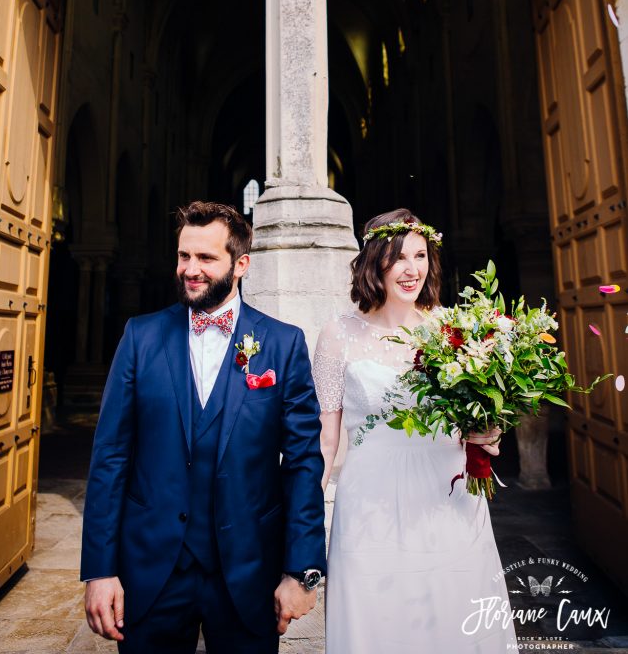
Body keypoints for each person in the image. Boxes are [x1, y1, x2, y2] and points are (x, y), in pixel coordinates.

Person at [81, 201, 326, 654]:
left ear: (241, 265)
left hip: (248, 571)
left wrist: (302, 571)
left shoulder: (283, 343)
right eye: (183, 256)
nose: (190, 270)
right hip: (151, 569)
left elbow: (303, 464)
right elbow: (110, 457)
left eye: (206, 258)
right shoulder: (140, 337)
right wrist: (99, 570)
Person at [314, 208, 518, 653]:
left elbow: (479, 420)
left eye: (420, 255)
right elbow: (326, 441)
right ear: (374, 263)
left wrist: (488, 433)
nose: (412, 270)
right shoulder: (337, 336)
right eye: (398, 257)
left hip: (448, 499)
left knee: (452, 616)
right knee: (379, 621)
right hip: (370, 506)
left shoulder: (455, 330)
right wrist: (301, 519)